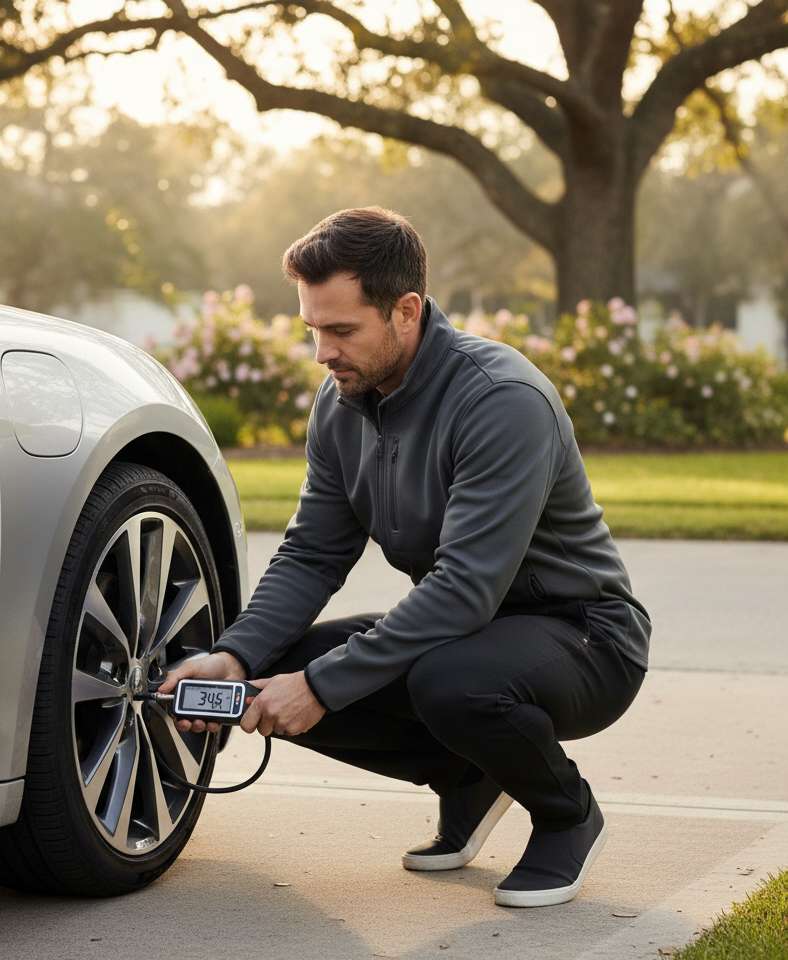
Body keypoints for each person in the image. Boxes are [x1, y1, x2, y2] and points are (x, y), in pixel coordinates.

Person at [163, 207, 650, 908]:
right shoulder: (341, 403)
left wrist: (321, 687)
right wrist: (235, 657)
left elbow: (464, 590)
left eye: (342, 330)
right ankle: (469, 777)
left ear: (406, 311)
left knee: (445, 682)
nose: (322, 352)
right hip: (467, 633)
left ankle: (566, 813)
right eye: (312, 330)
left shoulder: (501, 400)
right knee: (277, 666)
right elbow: (312, 554)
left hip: (585, 639)